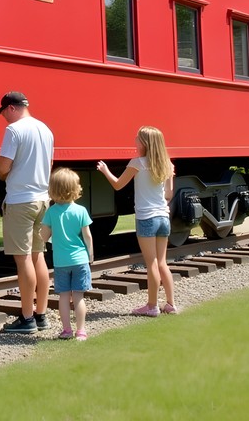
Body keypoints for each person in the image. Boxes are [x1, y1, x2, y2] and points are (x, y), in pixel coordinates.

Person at [97, 125, 178, 316]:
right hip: (163, 217)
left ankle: (152, 306)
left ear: (145, 143)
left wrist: (105, 170)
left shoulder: (137, 163)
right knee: (162, 263)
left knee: (151, 263)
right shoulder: (167, 164)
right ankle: (171, 304)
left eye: (137, 138)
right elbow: (168, 194)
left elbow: (117, 185)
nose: (135, 140)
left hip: (146, 218)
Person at [0, 90, 54, 333]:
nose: (4, 119)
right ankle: (41, 315)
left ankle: (27, 318)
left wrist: (6, 173)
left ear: (11, 108)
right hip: (43, 200)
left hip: (20, 201)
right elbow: (50, 164)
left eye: (3, 113)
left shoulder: (14, 130)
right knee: (39, 256)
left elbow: (2, 168)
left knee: (23, 260)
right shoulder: (46, 129)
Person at [41, 168, 94, 340]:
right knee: (78, 297)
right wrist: (90, 255)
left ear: (53, 190)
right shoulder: (81, 211)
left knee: (64, 297)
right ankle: (81, 331)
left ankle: (66, 330)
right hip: (80, 259)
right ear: (75, 188)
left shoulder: (51, 212)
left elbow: (44, 236)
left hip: (61, 262)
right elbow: (87, 236)